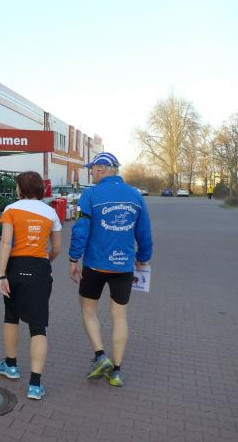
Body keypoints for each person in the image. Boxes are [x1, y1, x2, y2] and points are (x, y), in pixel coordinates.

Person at [69, 152, 153, 387]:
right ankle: (116, 371)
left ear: (102, 168)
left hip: (95, 265)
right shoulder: (135, 196)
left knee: (88, 311)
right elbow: (144, 231)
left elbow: (81, 229)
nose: (91, 173)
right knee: (120, 317)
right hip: (123, 266)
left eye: (92, 169)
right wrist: (143, 258)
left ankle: (100, 356)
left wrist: (73, 258)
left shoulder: (90, 195)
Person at [0, 171, 62, 401]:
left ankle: (11, 366)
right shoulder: (51, 212)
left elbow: (5, 243)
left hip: (15, 267)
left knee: (11, 316)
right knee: (38, 326)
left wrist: (1, 275)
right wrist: (45, 262)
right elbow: (57, 248)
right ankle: (35, 385)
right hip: (40, 269)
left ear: (21, 188)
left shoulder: (11, 209)